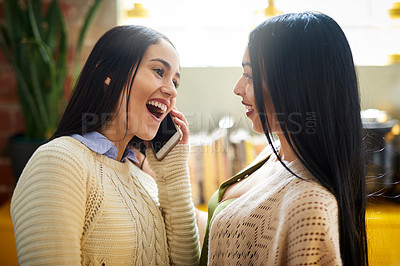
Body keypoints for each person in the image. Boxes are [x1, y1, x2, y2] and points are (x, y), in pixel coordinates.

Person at [11, 25, 200, 265]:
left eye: (176, 82)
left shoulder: (144, 180)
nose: (171, 90)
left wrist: (173, 174)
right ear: (109, 73)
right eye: (158, 70)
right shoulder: (59, 162)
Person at [198, 12, 368, 265]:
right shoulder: (273, 152)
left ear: (297, 85)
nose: (237, 88)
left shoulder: (310, 205)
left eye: (250, 76)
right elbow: (222, 230)